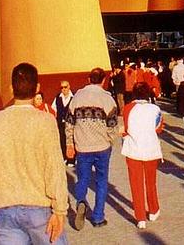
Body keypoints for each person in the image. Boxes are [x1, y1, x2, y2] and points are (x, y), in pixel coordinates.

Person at [0, 62, 68, 244]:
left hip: (6, 207)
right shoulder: (45, 121)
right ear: (37, 88)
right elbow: (54, 168)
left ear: (10, 88)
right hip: (40, 208)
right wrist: (60, 210)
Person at [65, 67, 118, 229]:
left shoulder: (77, 98)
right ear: (103, 80)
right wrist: (110, 141)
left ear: (89, 79)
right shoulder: (107, 99)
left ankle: (81, 201)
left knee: (83, 179)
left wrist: (69, 143)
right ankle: (98, 217)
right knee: (101, 181)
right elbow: (112, 125)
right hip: (102, 146)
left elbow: (69, 122)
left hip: (82, 146)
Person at [121, 81, 164, 229]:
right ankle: (153, 210)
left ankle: (140, 218)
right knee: (151, 182)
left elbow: (126, 128)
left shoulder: (127, 109)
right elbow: (159, 128)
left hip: (133, 150)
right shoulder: (156, 109)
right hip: (151, 149)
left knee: (136, 184)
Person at [53, 80, 75, 166]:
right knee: (62, 140)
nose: (63, 89)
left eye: (65, 87)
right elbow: (53, 109)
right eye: (62, 87)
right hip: (60, 123)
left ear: (69, 87)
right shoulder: (58, 97)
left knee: (71, 141)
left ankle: (72, 159)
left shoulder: (73, 97)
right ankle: (64, 157)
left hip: (70, 123)